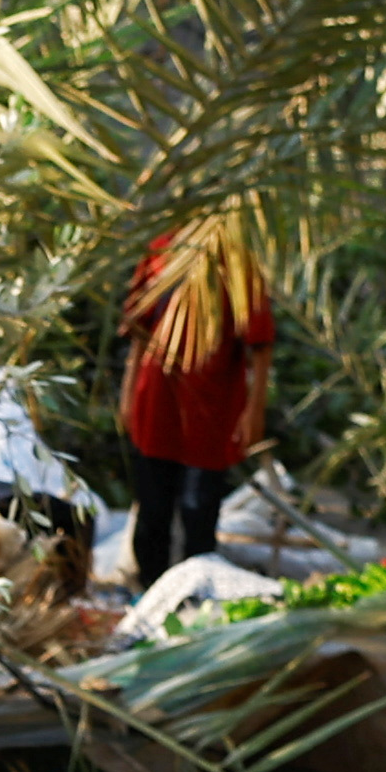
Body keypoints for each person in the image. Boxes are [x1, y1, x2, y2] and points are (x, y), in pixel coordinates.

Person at [114, 225, 270, 587]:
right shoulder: (161, 248)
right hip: (156, 400)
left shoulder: (237, 258)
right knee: (153, 509)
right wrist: (128, 393)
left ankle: (196, 594)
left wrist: (255, 409)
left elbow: (260, 344)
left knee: (199, 510)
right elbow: (138, 327)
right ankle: (149, 593)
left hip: (212, 406)